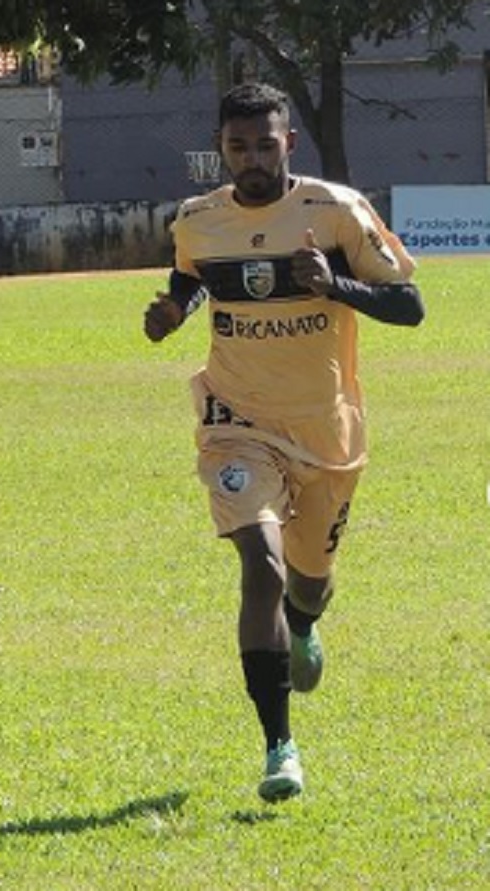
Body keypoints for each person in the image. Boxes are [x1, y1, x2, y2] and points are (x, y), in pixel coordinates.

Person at [143, 82, 424, 802]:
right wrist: (174, 306)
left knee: (308, 583)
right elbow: (192, 275)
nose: (252, 159)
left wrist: (334, 285)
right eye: (238, 147)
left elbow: (411, 305)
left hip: (326, 427)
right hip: (235, 418)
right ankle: (280, 746)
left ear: (288, 142)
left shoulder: (337, 210)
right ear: (222, 151)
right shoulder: (198, 219)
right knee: (260, 566)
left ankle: (303, 626)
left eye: (265, 144)